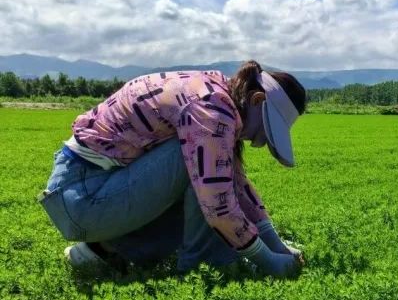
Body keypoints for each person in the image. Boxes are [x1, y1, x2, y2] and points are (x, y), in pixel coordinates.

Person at [38, 60, 306, 277]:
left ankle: (101, 250)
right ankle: (207, 268)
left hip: (84, 193)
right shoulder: (211, 110)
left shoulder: (217, 97)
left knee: (208, 169)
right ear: (257, 100)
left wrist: (277, 245)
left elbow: (237, 181)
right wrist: (269, 261)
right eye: (267, 128)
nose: (259, 143)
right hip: (82, 195)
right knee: (205, 174)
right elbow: (218, 205)